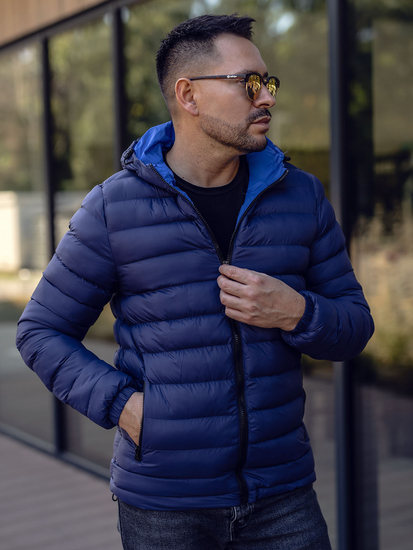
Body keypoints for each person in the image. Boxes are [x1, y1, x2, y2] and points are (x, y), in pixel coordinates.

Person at [16, 13, 374, 550]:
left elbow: (355, 325)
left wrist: (297, 312)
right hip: (166, 504)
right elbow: (40, 332)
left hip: (283, 495)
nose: (266, 98)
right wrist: (126, 408)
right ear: (189, 95)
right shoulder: (114, 207)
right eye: (247, 83)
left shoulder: (300, 196)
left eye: (268, 83)